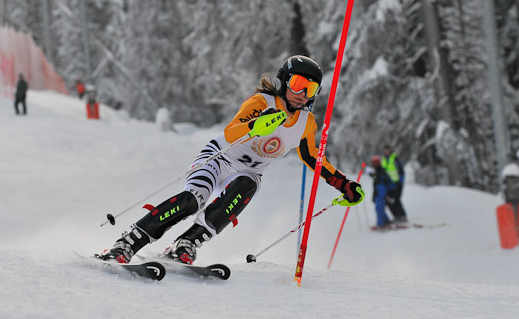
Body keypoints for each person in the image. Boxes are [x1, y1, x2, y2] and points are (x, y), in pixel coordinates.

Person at [97, 55, 365, 264]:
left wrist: (343, 184)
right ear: (284, 81)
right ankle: (130, 242)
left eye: (311, 89)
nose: (302, 93)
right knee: (192, 200)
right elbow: (231, 131)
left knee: (245, 187)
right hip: (220, 158)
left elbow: (312, 158)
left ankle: (187, 243)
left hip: (248, 171)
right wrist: (256, 125)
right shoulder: (262, 102)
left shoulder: (306, 122)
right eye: (298, 85)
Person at [382, 144, 407, 223]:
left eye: (388, 150)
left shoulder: (395, 158)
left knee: (396, 200)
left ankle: (402, 216)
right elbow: (382, 172)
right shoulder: (383, 160)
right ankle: (396, 216)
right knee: (389, 201)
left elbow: (402, 171)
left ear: (390, 150)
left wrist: (401, 181)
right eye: (385, 150)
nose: (387, 151)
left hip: (397, 183)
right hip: (388, 185)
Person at [370, 155, 393, 230]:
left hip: (381, 192)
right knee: (379, 208)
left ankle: (381, 224)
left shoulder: (381, 170)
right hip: (378, 192)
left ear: (379, 162)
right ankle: (387, 221)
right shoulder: (377, 170)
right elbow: (376, 177)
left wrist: (372, 175)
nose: (375, 164)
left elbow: (379, 178)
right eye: (374, 162)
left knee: (379, 208)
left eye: (376, 162)